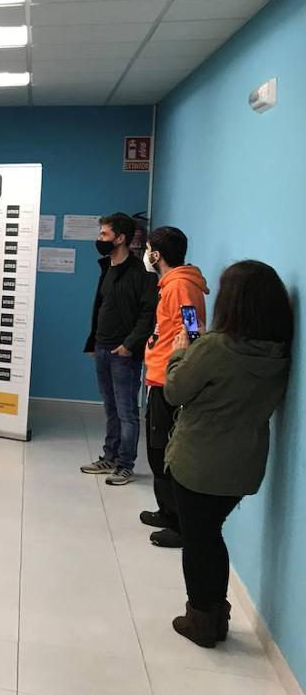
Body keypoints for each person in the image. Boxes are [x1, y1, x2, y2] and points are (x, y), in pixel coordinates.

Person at [163, 260, 291, 648]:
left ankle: (201, 621)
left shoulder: (215, 347)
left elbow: (174, 392)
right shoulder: (277, 353)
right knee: (210, 536)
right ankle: (215, 614)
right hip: (243, 464)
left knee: (198, 542)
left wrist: (179, 352)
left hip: (199, 462)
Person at [139, 227, 209, 548]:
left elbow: (192, 330)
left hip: (170, 380)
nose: (147, 254)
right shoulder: (170, 284)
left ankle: (178, 524)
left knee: (162, 453)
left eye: (149, 249)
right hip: (160, 376)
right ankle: (166, 511)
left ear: (157, 255)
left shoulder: (180, 285)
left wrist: (180, 368)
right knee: (156, 451)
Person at [80, 213, 158, 486]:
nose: (99, 239)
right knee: (110, 408)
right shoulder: (107, 267)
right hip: (102, 347)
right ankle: (109, 457)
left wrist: (130, 345)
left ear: (120, 238)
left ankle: (126, 464)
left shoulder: (142, 274)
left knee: (127, 412)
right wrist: (94, 341)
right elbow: (101, 308)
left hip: (124, 352)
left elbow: (148, 315)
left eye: (104, 234)